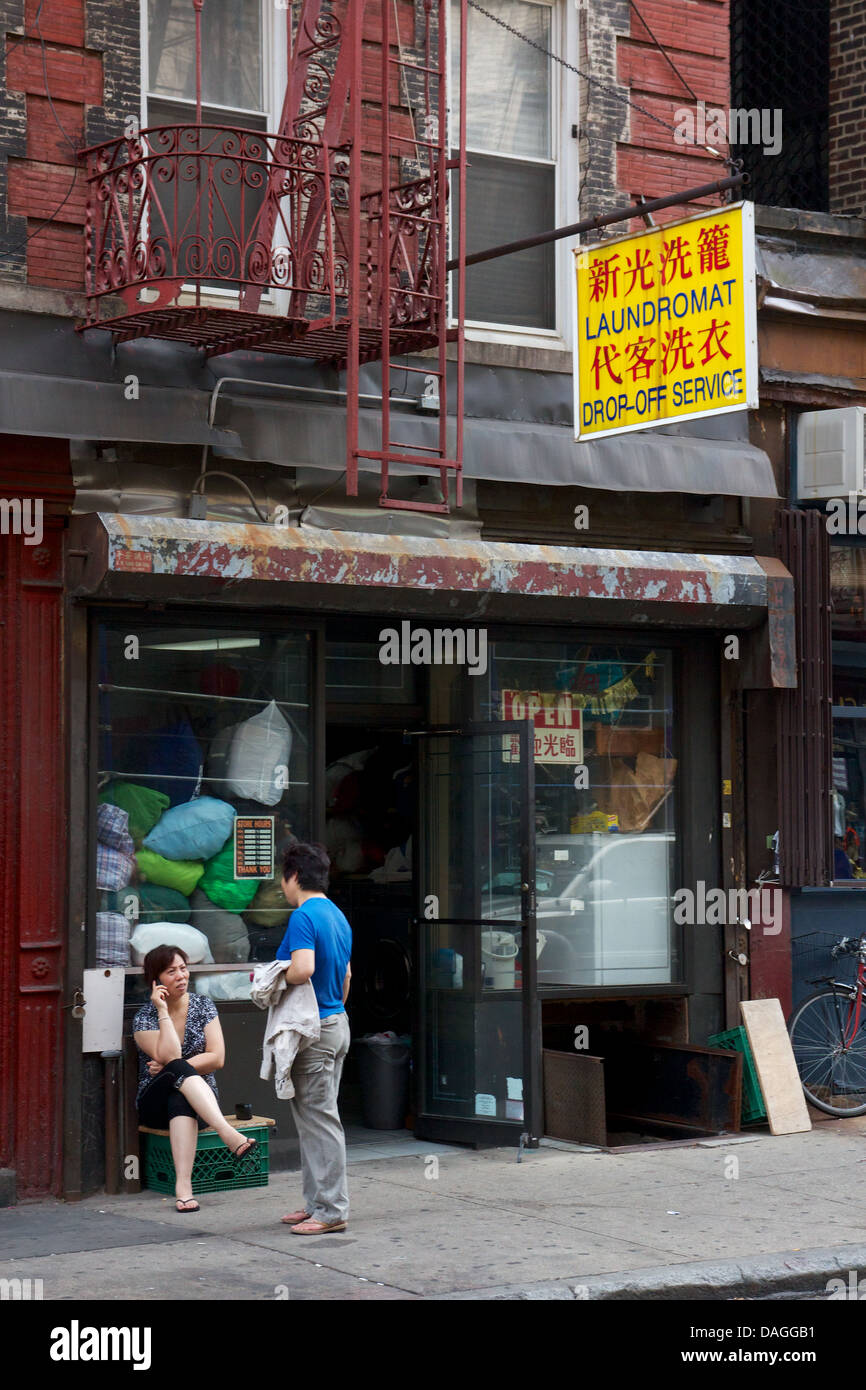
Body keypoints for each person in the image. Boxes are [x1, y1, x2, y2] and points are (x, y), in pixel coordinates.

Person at [133, 944, 256, 1213]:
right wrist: (162, 1011)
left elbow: (217, 1057)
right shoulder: (144, 1017)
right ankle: (228, 1134)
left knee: (181, 1095)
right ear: (156, 981)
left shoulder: (203, 1005)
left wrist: (174, 1069)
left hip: (201, 1102)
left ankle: (184, 1189)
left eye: (183, 969)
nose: (181, 976)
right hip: (154, 1102)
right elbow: (170, 1052)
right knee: (176, 1075)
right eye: (171, 971)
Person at [276, 841, 352, 1234]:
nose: (282, 886)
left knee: (320, 1122)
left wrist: (271, 979)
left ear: (294, 876)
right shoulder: (337, 916)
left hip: (316, 1031)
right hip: (336, 1023)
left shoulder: (303, 916)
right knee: (314, 1120)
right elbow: (347, 977)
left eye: (282, 878)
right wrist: (331, 1010)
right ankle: (316, 1203)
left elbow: (302, 968)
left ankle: (331, 1211)